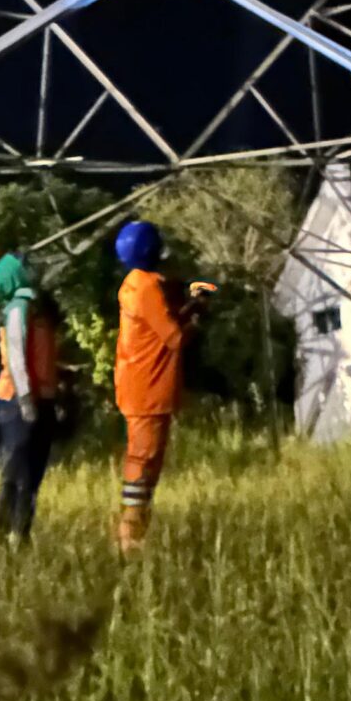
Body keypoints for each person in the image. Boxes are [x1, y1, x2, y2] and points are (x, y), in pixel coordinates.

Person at [111, 218, 215, 557]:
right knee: (142, 461)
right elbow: (175, 338)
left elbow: (161, 325)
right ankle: (130, 538)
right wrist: (198, 315)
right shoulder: (147, 288)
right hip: (148, 390)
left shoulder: (134, 283)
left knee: (146, 461)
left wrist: (189, 306)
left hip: (139, 388)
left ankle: (135, 532)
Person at [0, 251, 62, 546]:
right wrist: (26, 402)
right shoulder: (19, 309)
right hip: (19, 401)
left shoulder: (35, 308)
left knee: (32, 472)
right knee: (20, 471)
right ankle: (10, 531)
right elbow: (17, 359)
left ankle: (19, 532)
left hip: (38, 399)